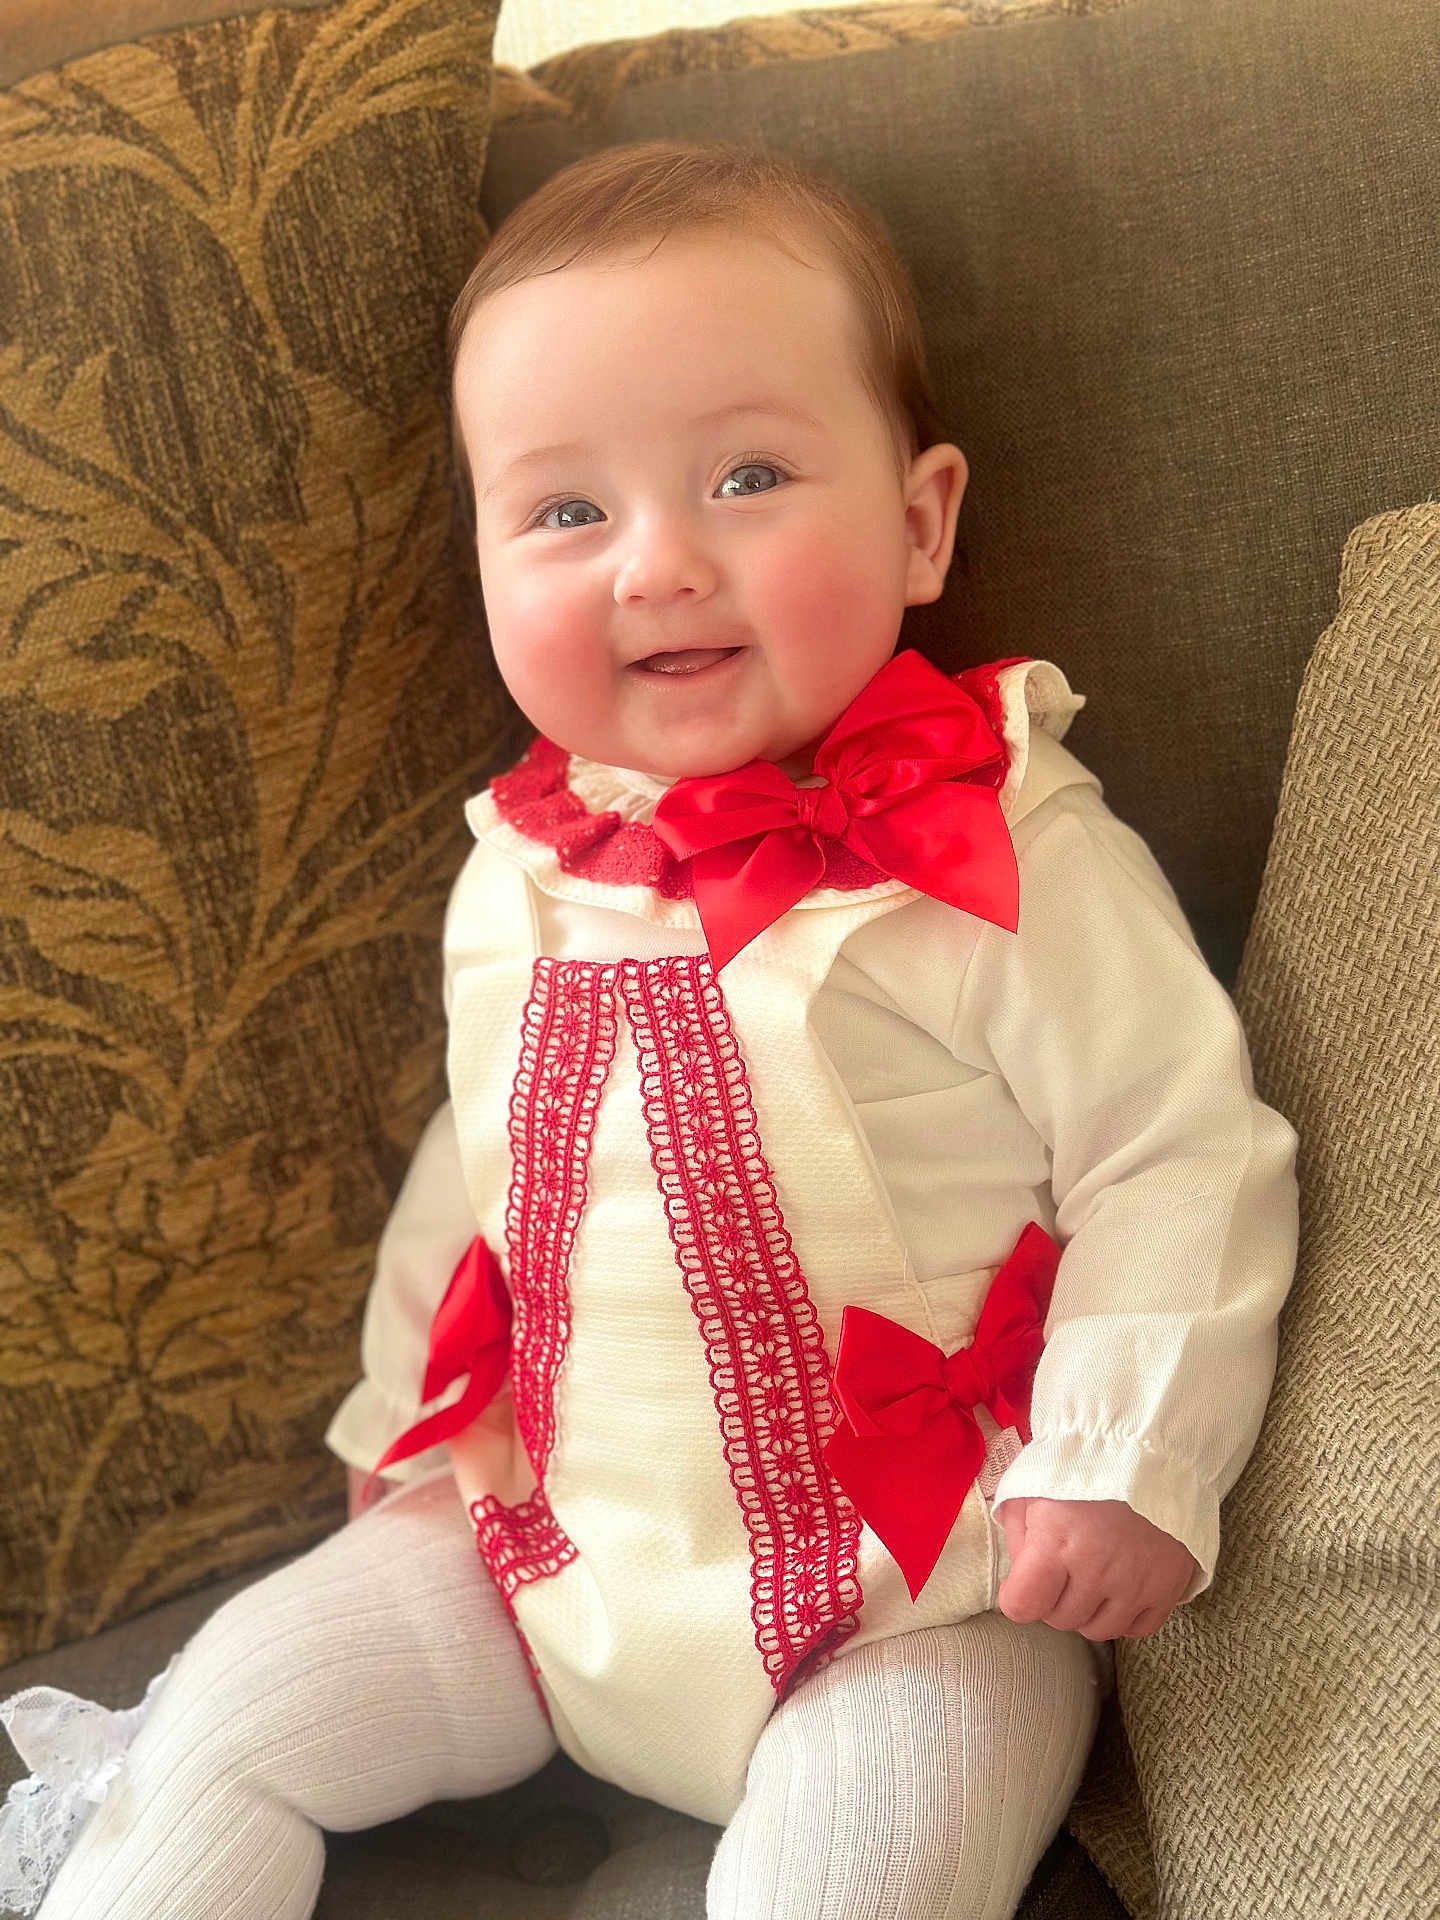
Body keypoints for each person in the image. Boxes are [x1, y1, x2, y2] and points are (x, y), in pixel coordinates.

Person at [1, 139, 1299, 1920]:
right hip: (552, 1559)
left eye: (748, 478)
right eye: (564, 513)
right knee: (230, 1710)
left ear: (921, 524)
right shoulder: (515, 868)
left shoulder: (1003, 846)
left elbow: (1176, 1149)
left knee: (847, 1879)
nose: (660, 564)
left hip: (923, 1596)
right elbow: (479, 1167)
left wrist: (1125, 1456)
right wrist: (410, 1429)